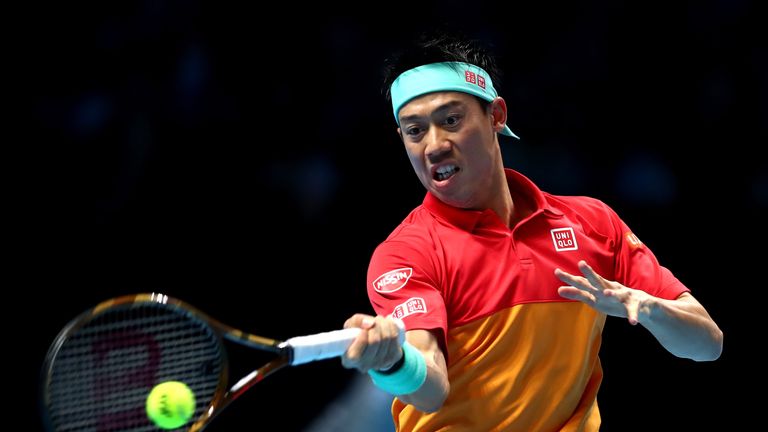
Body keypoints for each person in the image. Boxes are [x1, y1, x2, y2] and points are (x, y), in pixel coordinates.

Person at [340, 32, 723, 431]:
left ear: (496, 116)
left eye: (451, 120)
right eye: (415, 130)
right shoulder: (407, 254)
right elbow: (431, 387)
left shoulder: (592, 223)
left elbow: (707, 345)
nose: (433, 145)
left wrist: (646, 307)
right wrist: (393, 361)